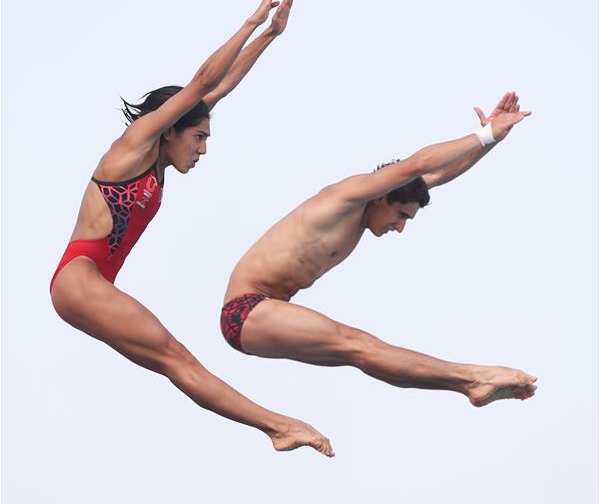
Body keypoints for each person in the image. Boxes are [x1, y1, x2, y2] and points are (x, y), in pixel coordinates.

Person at [50, 0, 334, 457]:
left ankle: (275, 426)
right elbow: (202, 83)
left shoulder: (159, 158)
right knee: (175, 357)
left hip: (92, 283)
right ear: (168, 131)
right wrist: (250, 21)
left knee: (173, 360)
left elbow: (215, 89)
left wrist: (270, 36)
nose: (202, 148)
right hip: (79, 280)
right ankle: (277, 426)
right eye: (198, 137)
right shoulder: (133, 146)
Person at [221, 92, 537, 409]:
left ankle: (467, 385)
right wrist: (484, 133)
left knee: (362, 353)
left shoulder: (371, 208)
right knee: (358, 344)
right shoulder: (347, 197)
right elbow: (418, 164)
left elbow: (439, 173)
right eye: (401, 216)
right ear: (382, 196)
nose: (399, 228)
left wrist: (492, 140)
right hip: (246, 310)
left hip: (267, 310)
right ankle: (474, 377)